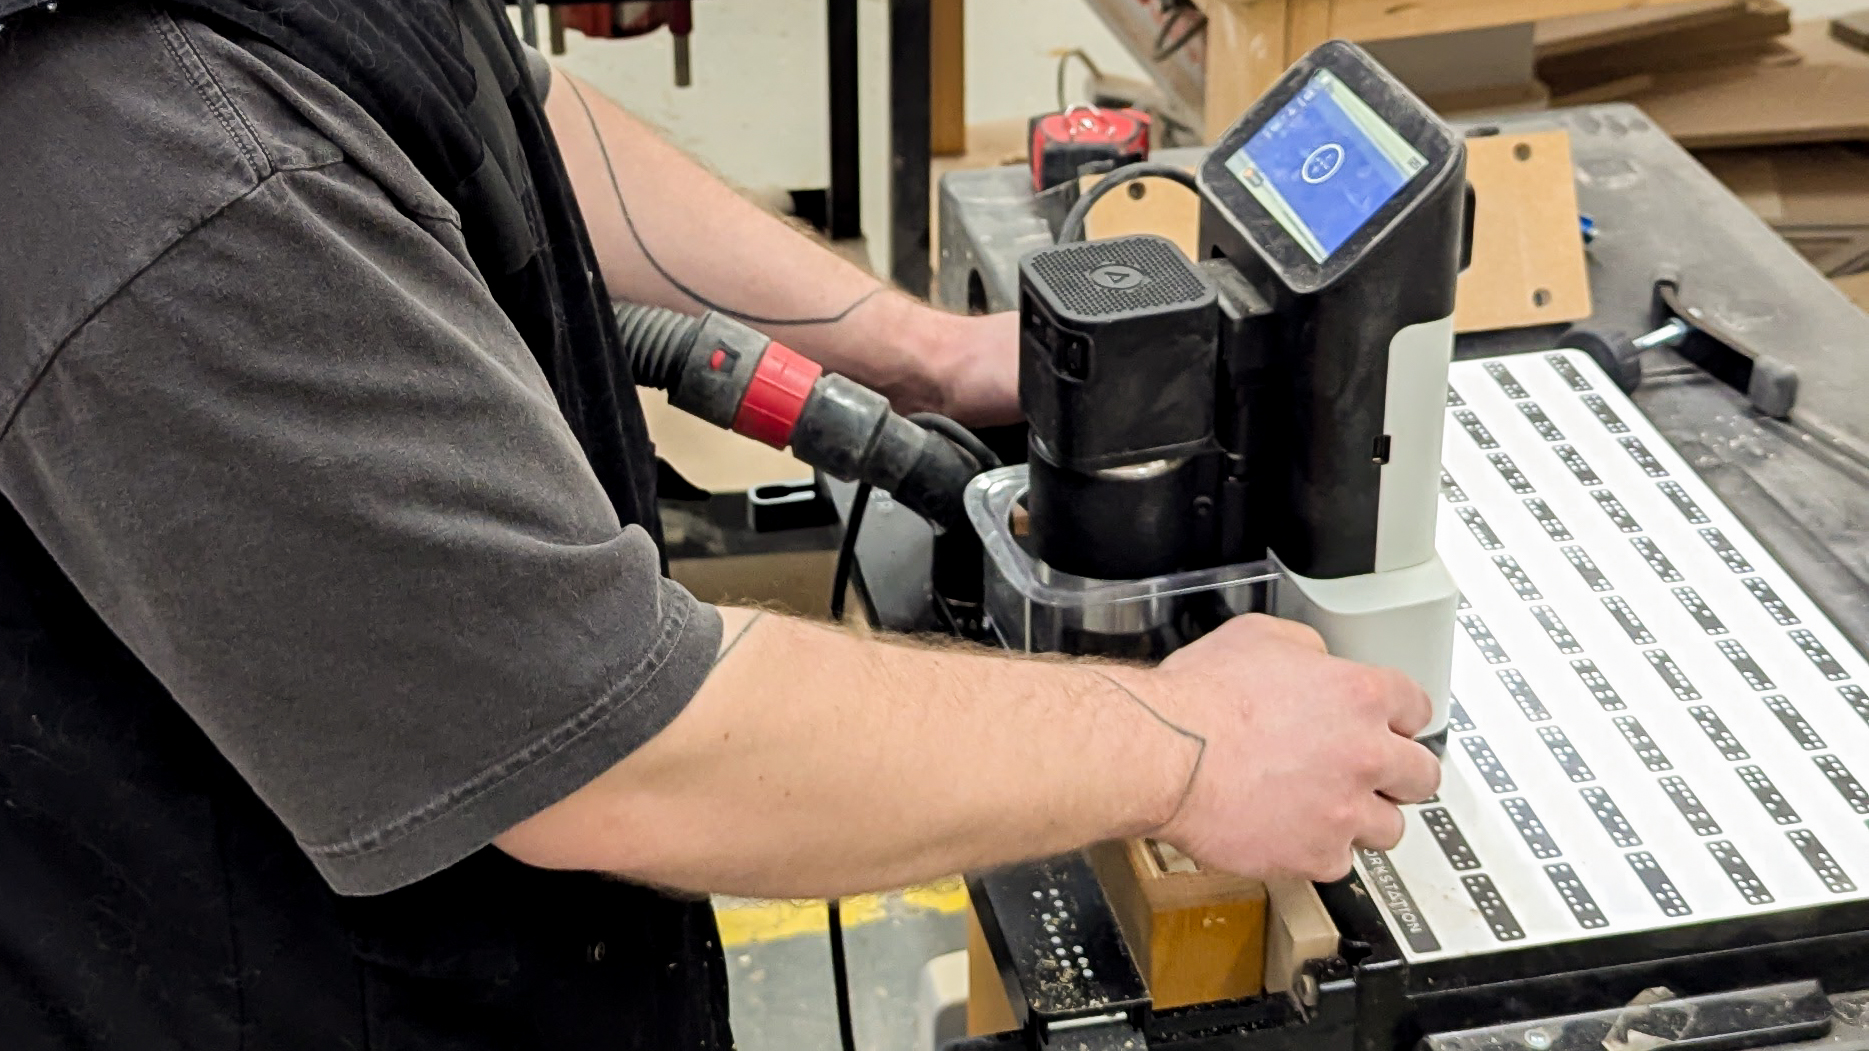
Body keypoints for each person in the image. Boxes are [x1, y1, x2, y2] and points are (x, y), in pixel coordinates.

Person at [0, 1, 1441, 1048]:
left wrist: (915, 348)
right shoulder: (148, 162)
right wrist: (1189, 749)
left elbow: (497, 99)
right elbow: (614, 748)